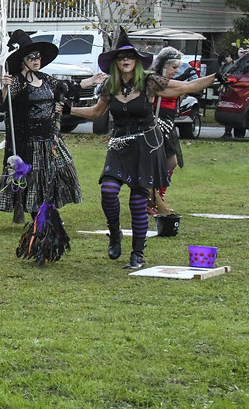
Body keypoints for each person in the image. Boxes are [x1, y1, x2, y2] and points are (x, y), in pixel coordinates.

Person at [68, 32, 218, 270]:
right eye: (120, 57)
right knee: (108, 190)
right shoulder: (110, 85)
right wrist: (69, 109)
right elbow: (97, 112)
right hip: (119, 144)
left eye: (129, 56)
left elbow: (187, 87)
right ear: (116, 63)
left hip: (146, 146)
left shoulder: (149, 81)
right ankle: (115, 234)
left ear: (136, 60)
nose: (125, 60)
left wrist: (217, 76)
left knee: (138, 201)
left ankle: (137, 254)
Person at [0, 30, 82, 223]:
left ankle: (50, 209)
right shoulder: (16, 82)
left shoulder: (46, 79)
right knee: (34, 179)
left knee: (62, 169)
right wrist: (5, 88)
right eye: (31, 57)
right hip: (29, 141)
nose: (36, 60)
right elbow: (0, 105)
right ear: (23, 60)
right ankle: (39, 214)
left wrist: (92, 81)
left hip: (50, 139)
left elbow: (67, 89)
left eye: (38, 57)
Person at [147, 47, 185, 214]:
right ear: (163, 65)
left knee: (171, 162)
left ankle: (159, 197)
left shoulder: (173, 82)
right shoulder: (155, 81)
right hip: (155, 125)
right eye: (173, 67)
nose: (176, 71)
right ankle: (151, 201)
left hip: (168, 125)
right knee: (155, 164)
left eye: (178, 67)